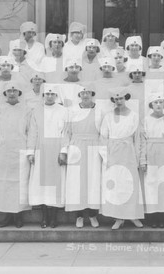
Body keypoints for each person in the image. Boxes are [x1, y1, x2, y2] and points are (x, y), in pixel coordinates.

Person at [100, 87, 145, 229]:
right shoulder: (108, 117)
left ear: (125, 99)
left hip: (129, 154)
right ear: (113, 101)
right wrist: (106, 158)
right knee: (116, 186)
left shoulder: (134, 116)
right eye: (116, 99)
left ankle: (133, 216)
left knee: (130, 185)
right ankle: (118, 218)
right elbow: (103, 138)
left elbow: (138, 139)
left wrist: (138, 159)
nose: (118, 101)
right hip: (113, 154)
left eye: (121, 98)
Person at [0, 81, 32, 228]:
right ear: (5, 94)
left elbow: (29, 130)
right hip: (3, 151)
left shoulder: (26, 110)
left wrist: (29, 150)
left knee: (19, 182)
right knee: (3, 182)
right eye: (9, 91)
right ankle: (7, 215)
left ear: (19, 93)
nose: (12, 93)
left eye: (15, 91)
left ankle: (18, 215)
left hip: (20, 149)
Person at [27, 84, 68, 228]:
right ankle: (44, 217)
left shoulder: (63, 111)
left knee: (56, 183)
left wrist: (63, 151)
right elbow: (33, 132)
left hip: (56, 151)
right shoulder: (37, 111)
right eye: (47, 94)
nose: (49, 96)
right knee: (42, 184)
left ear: (56, 96)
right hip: (41, 151)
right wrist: (30, 152)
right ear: (43, 96)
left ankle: (54, 217)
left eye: (52, 94)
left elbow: (66, 132)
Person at [64, 85, 102, 228]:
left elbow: (103, 133)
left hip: (94, 147)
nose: (85, 95)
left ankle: (93, 215)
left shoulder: (99, 111)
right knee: (76, 182)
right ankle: (79, 215)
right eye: (83, 93)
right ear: (79, 94)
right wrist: (64, 151)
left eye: (88, 92)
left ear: (92, 94)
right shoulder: (72, 110)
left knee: (93, 181)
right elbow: (66, 132)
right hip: (76, 147)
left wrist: (103, 152)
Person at [140, 93, 164, 228]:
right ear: (151, 105)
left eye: (161, 102)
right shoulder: (145, 120)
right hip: (151, 153)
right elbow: (142, 141)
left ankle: (163, 217)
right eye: (156, 102)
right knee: (151, 185)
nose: (159, 105)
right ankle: (152, 217)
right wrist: (143, 160)